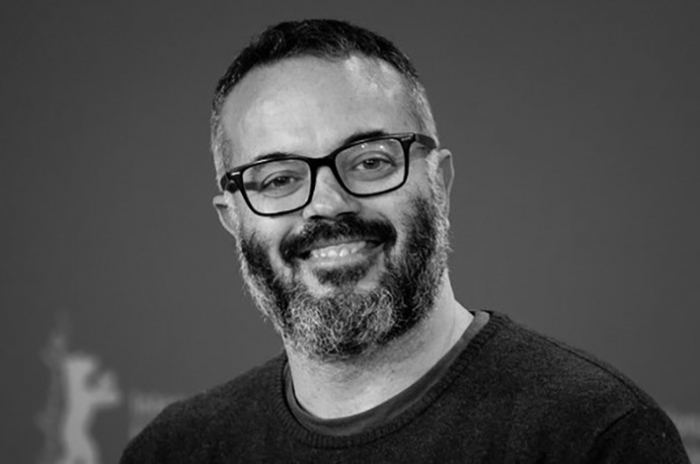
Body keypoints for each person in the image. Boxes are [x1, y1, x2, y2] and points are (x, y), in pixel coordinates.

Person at [121, 19, 689, 463]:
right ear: (233, 219)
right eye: (278, 179)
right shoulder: (173, 451)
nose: (327, 204)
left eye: (370, 161)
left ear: (439, 182)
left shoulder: (595, 435)